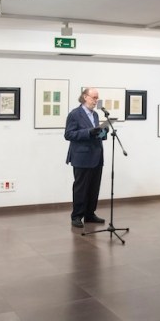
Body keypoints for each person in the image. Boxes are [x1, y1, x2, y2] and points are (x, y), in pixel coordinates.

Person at [64, 87, 106, 228]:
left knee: (94, 187)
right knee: (81, 188)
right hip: (82, 157)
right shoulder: (75, 114)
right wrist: (88, 132)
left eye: (97, 98)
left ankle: (90, 214)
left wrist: (103, 133)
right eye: (94, 97)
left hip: (96, 156)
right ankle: (76, 216)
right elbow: (68, 134)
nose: (96, 101)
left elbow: (96, 134)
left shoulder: (95, 115)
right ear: (85, 97)